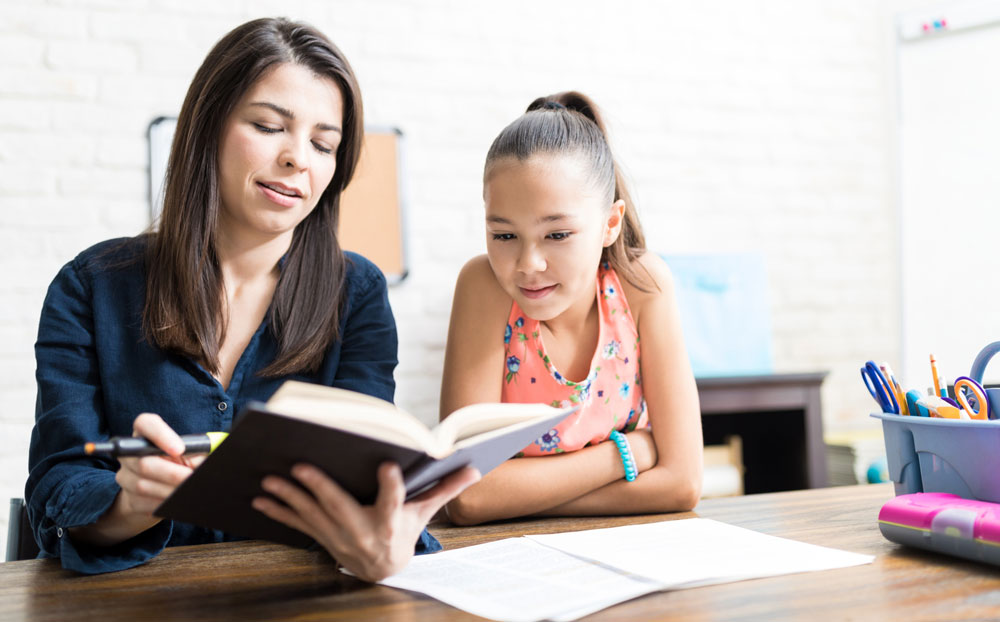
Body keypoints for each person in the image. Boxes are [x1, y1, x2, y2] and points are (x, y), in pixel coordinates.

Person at [26, 17, 478, 580]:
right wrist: (130, 503)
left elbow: (361, 474)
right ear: (207, 128)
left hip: (295, 598)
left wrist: (380, 538)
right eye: (269, 126)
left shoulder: (357, 295)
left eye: (323, 143)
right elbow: (58, 486)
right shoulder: (91, 286)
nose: (299, 159)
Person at [440, 92, 703, 525]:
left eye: (557, 235)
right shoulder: (483, 287)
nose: (528, 265)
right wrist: (627, 454)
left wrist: (513, 496)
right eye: (504, 236)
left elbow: (683, 483)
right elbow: (465, 497)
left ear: (609, 224)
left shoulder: (643, 286)